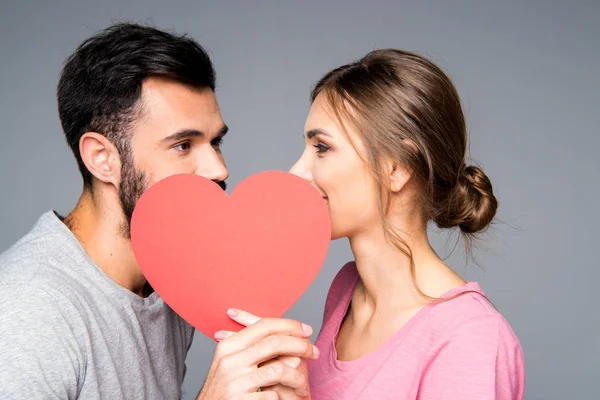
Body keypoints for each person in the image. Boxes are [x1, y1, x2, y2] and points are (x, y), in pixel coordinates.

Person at [0, 23, 317, 400]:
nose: (219, 169)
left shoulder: (172, 277)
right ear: (102, 159)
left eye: (215, 142)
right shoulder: (28, 310)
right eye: (183, 145)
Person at [288, 49, 526, 399]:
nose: (296, 172)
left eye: (322, 147)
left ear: (396, 168)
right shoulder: (346, 292)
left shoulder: (469, 339)